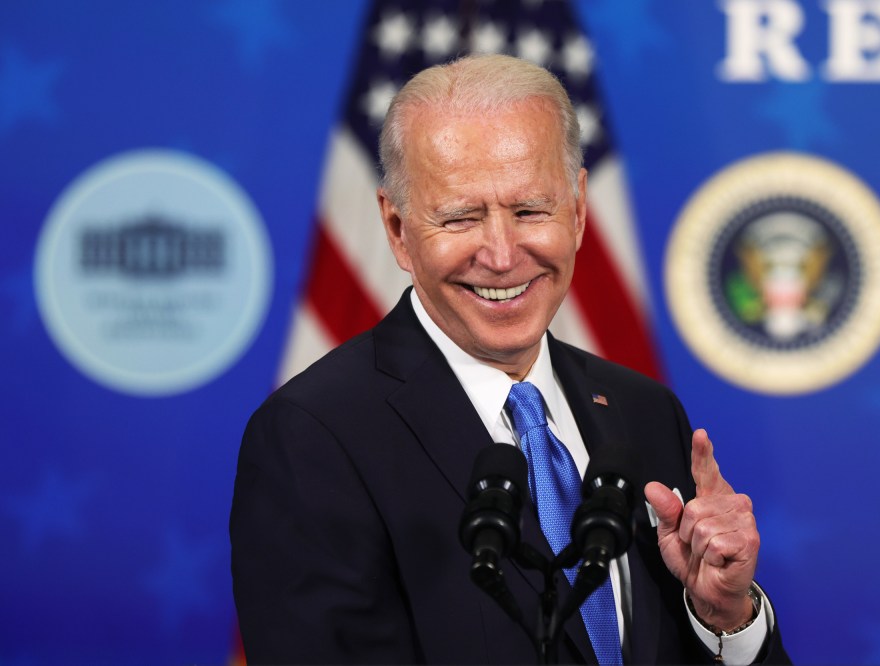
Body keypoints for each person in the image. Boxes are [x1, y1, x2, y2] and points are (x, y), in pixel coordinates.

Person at [231, 54, 789, 665]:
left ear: (578, 210)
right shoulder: (314, 436)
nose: (500, 256)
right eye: (461, 217)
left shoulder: (644, 411)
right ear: (396, 228)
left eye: (529, 211)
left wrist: (725, 619)